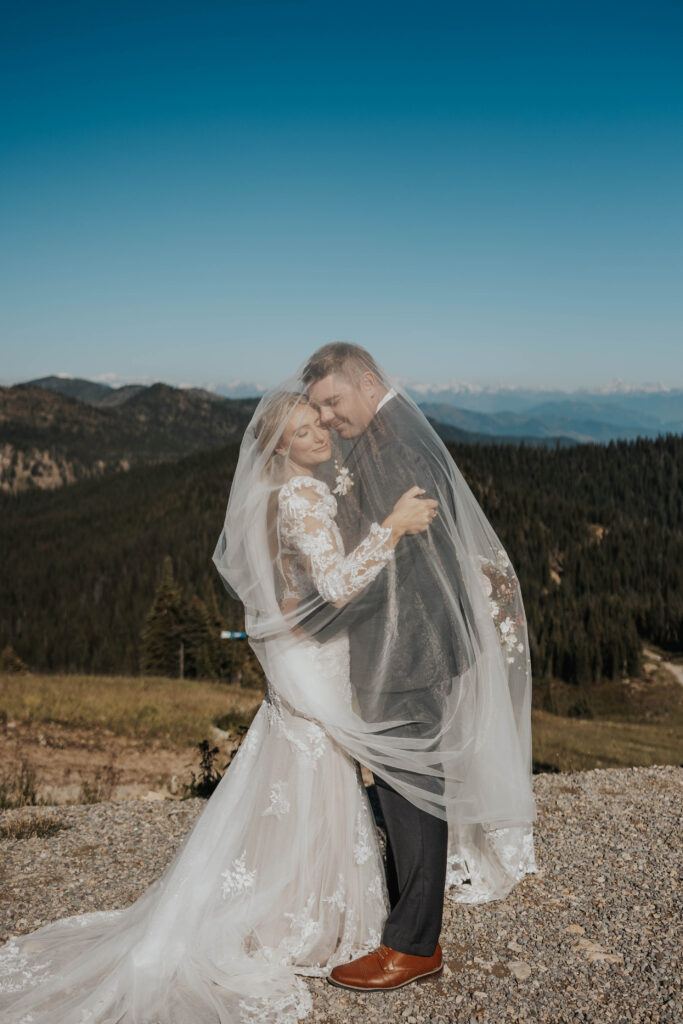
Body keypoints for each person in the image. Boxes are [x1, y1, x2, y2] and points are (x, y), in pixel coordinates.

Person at [0, 390, 438, 1023]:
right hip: (316, 660)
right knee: (318, 768)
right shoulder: (303, 496)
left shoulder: (272, 497)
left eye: (319, 420)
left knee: (291, 769)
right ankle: (303, 915)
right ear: (279, 446)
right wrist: (392, 527)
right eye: (303, 429)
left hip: (295, 658)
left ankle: (283, 899)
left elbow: (286, 587)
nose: (319, 432)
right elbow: (338, 586)